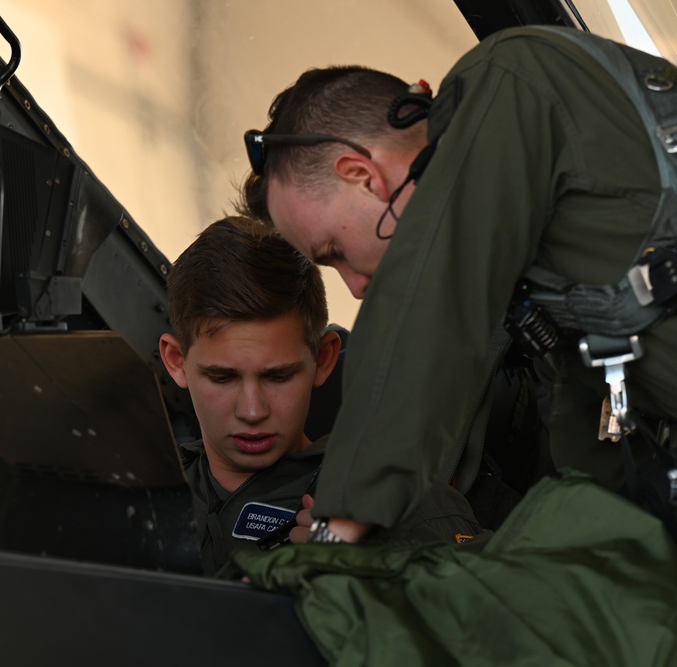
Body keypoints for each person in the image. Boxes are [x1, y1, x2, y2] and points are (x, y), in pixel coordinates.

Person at [238, 26, 677, 663]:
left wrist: (335, 530)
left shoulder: (509, 79)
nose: (355, 288)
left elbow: (430, 302)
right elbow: (595, 462)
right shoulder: (550, 252)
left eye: (335, 254)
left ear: (363, 175)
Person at [159, 216, 483, 574]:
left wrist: (385, 568)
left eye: (278, 376)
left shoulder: (398, 507)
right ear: (176, 361)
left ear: (324, 357)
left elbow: (499, 612)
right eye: (222, 377)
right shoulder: (137, 490)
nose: (252, 411)